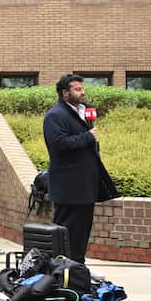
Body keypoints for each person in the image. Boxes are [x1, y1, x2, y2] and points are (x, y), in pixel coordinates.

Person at [43, 74, 100, 263]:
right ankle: (61, 268)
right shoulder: (55, 116)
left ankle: (78, 267)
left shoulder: (85, 112)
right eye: (77, 89)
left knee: (82, 230)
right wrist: (88, 136)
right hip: (68, 187)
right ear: (65, 93)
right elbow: (59, 144)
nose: (82, 92)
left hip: (85, 185)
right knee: (66, 230)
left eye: (82, 88)